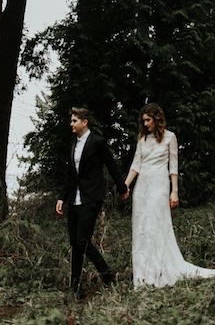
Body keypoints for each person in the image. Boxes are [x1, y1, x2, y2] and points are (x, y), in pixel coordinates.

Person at [124, 102, 215, 288]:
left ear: (157, 119)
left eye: (148, 120)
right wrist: (126, 186)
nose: (145, 124)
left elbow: (173, 167)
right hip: (141, 188)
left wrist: (174, 191)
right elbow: (136, 165)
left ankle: (161, 271)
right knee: (142, 229)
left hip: (159, 186)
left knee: (156, 227)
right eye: (143, 121)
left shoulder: (170, 138)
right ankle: (144, 275)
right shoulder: (142, 139)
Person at [55, 106, 129, 297]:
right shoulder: (73, 143)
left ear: (84, 122)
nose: (71, 124)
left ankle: (107, 275)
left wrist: (122, 187)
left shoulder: (97, 142)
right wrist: (62, 197)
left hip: (91, 197)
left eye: (74, 121)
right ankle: (75, 288)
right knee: (75, 243)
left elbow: (111, 164)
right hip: (74, 199)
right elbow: (71, 174)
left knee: (82, 240)